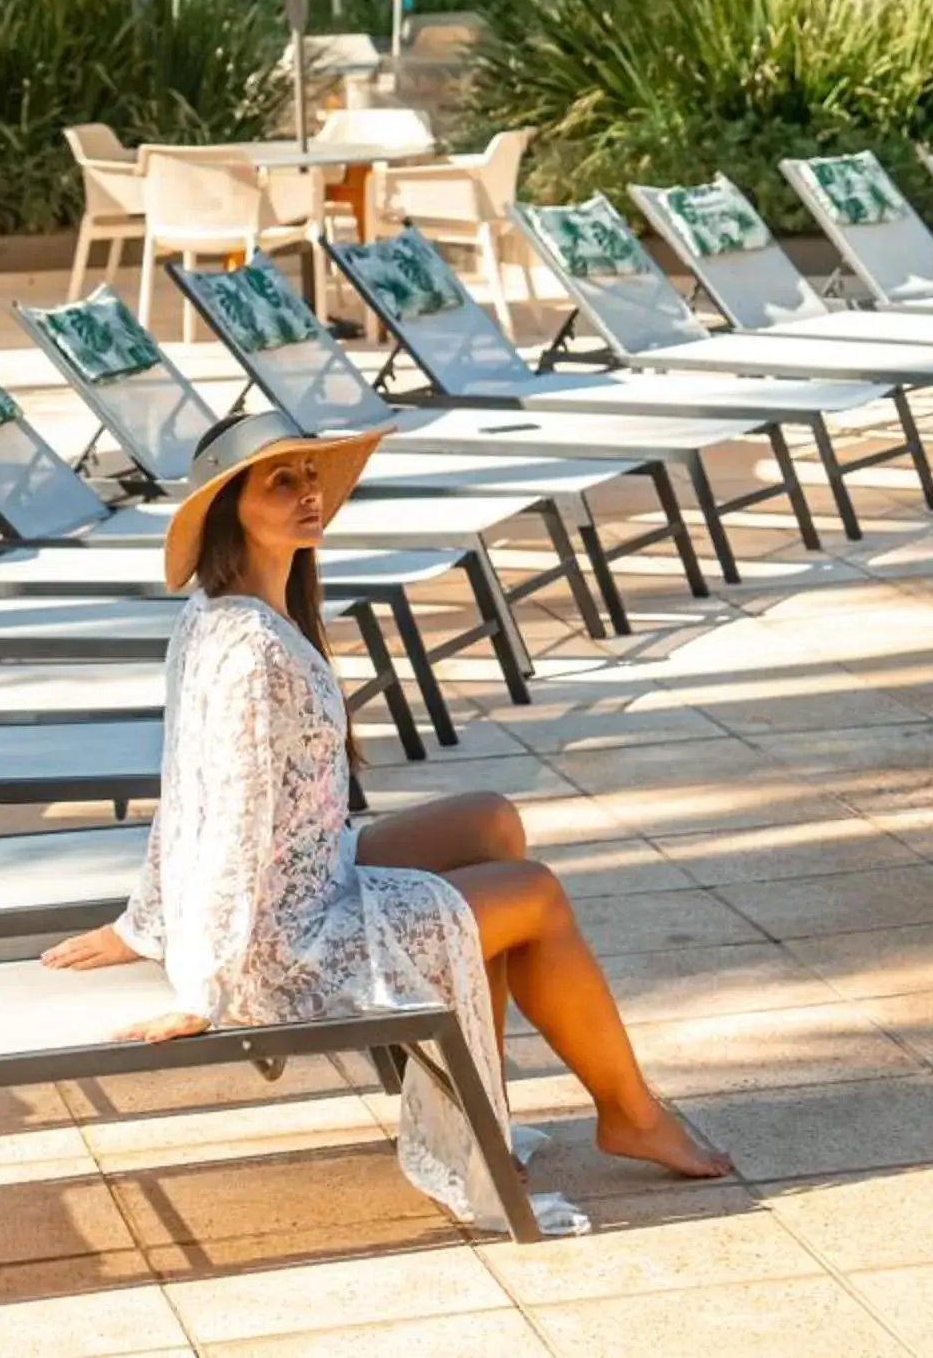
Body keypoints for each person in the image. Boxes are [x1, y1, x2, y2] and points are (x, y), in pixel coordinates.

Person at [41, 411, 729, 1232]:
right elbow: (218, 809)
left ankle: (490, 1109)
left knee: (491, 824)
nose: (309, 496)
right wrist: (199, 972)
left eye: (311, 478)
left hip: (307, 877)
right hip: (281, 946)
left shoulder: (226, 614)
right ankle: (630, 1113)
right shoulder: (250, 648)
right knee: (534, 895)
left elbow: (184, 786)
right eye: (282, 482)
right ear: (231, 508)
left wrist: (149, 922)